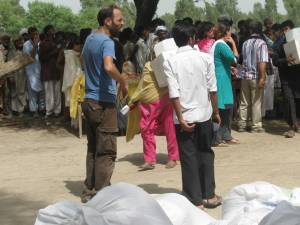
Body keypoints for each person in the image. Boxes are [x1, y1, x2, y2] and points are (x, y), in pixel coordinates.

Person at [164, 21, 222, 209]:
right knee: (205, 153)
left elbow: (174, 93)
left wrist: (180, 119)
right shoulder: (205, 58)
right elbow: (213, 90)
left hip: (184, 117)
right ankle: (209, 195)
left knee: (188, 157)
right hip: (204, 113)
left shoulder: (170, 61)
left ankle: (194, 200)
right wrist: (216, 112)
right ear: (192, 38)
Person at [81, 4, 127, 203]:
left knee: (93, 148)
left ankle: (89, 190)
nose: (122, 23)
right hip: (103, 103)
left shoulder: (89, 39)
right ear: (107, 22)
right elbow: (109, 66)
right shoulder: (107, 42)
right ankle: (102, 195)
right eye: (119, 20)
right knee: (107, 150)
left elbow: (84, 62)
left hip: (89, 101)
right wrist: (122, 80)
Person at [211, 23, 239, 146]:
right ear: (226, 32)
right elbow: (235, 60)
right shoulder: (222, 45)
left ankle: (226, 135)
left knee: (226, 108)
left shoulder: (216, 44)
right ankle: (218, 138)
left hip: (221, 76)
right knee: (223, 109)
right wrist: (233, 44)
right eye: (229, 31)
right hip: (222, 79)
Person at [238, 20, 269, 133]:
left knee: (244, 102)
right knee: (256, 102)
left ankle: (242, 124)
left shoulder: (245, 43)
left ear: (250, 30)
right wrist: (262, 78)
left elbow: (242, 61)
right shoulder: (262, 43)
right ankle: (256, 126)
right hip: (256, 76)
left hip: (245, 76)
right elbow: (262, 62)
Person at [272, 20, 300, 138]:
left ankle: (297, 123)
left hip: (298, 77)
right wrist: (286, 61)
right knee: (289, 101)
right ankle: (291, 126)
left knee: (298, 101)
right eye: (283, 30)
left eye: (287, 29)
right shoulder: (278, 44)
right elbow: (276, 61)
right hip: (286, 78)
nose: (286, 32)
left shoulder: (298, 40)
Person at [39, 24, 62, 118]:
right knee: (49, 92)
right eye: (52, 29)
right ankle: (49, 111)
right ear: (48, 31)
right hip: (47, 71)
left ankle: (57, 111)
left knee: (57, 92)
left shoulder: (57, 42)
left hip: (56, 71)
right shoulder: (43, 43)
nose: (54, 31)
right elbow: (41, 58)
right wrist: (55, 51)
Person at [23, 26, 44, 117]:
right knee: (32, 91)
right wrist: (35, 45)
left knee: (41, 91)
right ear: (29, 34)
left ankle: (41, 109)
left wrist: (38, 44)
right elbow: (30, 57)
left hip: (40, 69)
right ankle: (34, 110)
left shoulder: (40, 43)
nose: (35, 35)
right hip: (31, 71)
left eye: (36, 33)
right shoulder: (26, 45)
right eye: (33, 33)